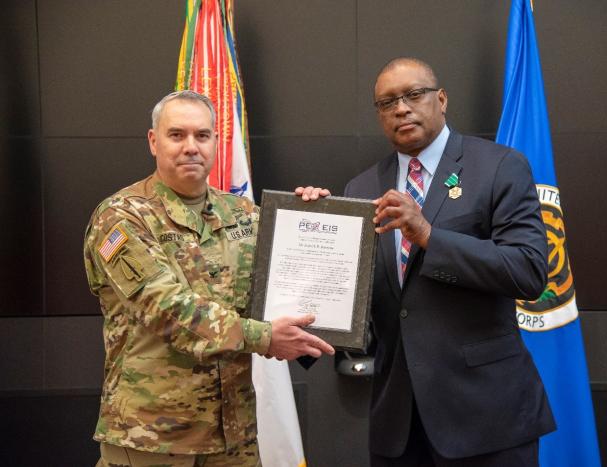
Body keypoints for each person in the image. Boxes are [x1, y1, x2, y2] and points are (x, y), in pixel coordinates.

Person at [84, 90, 334, 467]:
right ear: (154, 141)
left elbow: (285, 289)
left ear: (216, 142)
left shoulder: (244, 215)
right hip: (153, 439)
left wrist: (311, 220)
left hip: (235, 437)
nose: (191, 147)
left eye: (202, 135)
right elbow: (167, 309)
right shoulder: (120, 218)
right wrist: (264, 337)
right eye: (176, 135)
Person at [344, 58, 556, 466]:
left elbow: (528, 271)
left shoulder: (499, 166)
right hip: (399, 426)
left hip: (486, 415)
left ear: (441, 99)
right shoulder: (362, 187)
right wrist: (309, 225)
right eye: (388, 102)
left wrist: (428, 235)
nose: (401, 108)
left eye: (413, 95)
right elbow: (354, 296)